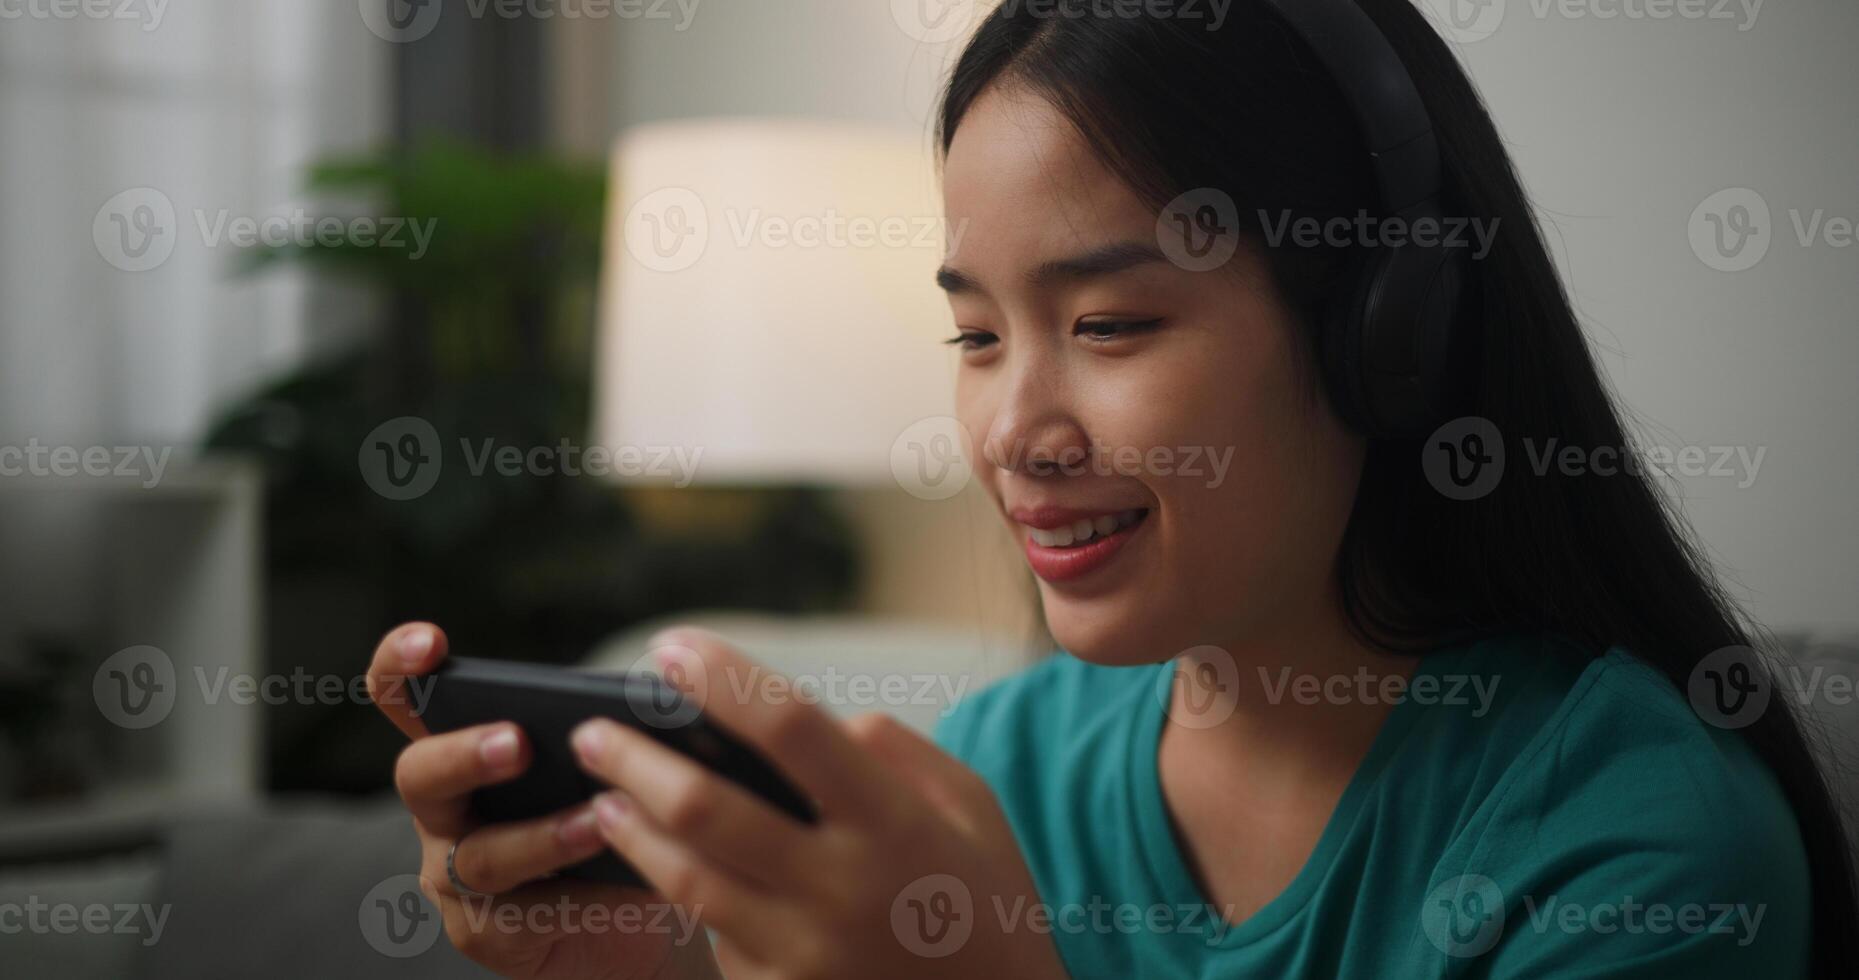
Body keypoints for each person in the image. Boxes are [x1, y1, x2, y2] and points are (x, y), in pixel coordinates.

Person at [364, 1, 1854, 976]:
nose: (1014, 428)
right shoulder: (1001, 762)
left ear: (1384, 332)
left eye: (1111, 324)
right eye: (974, 334)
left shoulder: (1636, 845)